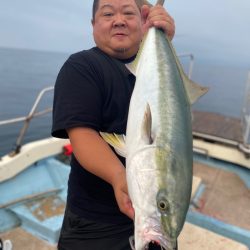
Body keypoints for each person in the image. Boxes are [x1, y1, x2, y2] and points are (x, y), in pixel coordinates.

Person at [52, 0, 176, 249]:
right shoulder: (82, 66)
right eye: (108, 13)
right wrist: (120, 177)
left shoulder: (155, 70)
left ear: (142, 24)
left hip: (153, 213)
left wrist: (163, 40)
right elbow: (82, 135)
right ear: (93, 25)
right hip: (94, 223)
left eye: (129, 13)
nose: (119, 20)